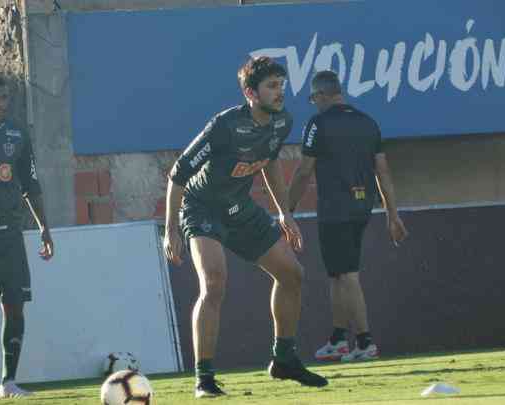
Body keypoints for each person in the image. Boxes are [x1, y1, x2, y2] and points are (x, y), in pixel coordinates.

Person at [163, 57, 328, 398]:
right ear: (251, 92)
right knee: (214, 283)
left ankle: (283, 359)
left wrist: (284, 213)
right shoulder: (225, 125)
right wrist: (171, 230)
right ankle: (204, 379)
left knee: (292, 274)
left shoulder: (282, 122)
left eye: (281, 85)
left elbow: (269, 164)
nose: (280, 92)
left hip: (240, 208)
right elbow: (178, 174)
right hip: (202, 208)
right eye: (272, 86)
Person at [288, 70, 408, 362]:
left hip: (335, 210)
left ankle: (365, 341)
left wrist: (285, 210)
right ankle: (339, 339)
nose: (314, 103)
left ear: (322, 95)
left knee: (348, 274)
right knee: (337, 274)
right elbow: (383, 171)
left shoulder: (318, 122)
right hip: (362, 207)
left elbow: (304, 170)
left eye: (314, 98)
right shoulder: (368, 122)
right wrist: (393, 214)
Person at [0, 75, 54, 398]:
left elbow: (31, 185)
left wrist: (44, 227)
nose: (1, 103)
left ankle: (8, 382)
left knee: (15, 305)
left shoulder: (17, 135)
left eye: (4, 97)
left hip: (9, 236)